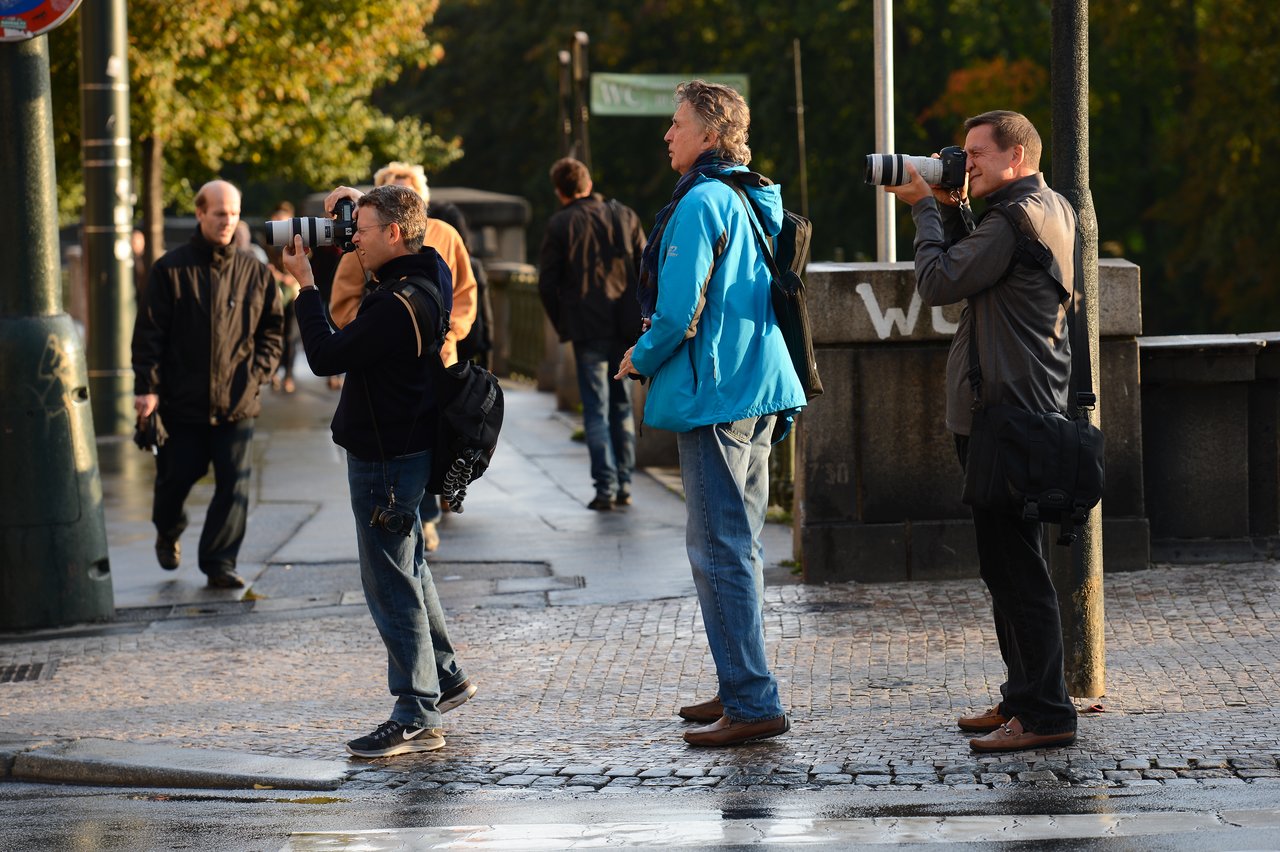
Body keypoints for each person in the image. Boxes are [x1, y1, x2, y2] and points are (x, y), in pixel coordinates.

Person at [615, 81, 806, 747]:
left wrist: (638, 357)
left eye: (676, 125)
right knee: (741, 545)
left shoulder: (700, 201)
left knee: (717, 549)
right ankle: (738, 682)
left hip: (717, 392)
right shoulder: (749, 193)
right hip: (759, 383)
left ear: (707, 134)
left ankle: (752, 701)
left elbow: (676, 312)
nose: (667, 135)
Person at [885, 110, 1080, 753]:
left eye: (975, 154)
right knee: (1007, 566)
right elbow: (985, 266)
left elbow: (940, 281)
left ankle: (1047, 714)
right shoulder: (1045, 206)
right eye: (963, 153)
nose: (963, 163)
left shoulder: (1016, 217)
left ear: (1016, 156)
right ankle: (1023, 697)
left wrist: (923, 208)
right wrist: (953, 206)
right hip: (1019, 408)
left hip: (1007, 414)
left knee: (1016, 570)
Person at [283, 183, 476, 758]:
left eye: (360, 232)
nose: (351, 242)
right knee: (410, 565)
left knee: (389, 581)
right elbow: (406, 236)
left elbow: (325, 357)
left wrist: (306, 288)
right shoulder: (431, 268)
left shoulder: (395, 304)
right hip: (409, 443)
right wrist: (362, 199)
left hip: (385, 456)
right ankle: (444, 676)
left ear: (394, 234)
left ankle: (416, 713)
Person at [131, 179, 284, 589]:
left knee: (234, 484)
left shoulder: (255, 272)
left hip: (237, 401)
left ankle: (219, 562)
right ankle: (168, 528)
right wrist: (146, 388)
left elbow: (273, 330)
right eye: (219, 213)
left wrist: (258, 375)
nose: (227, 221)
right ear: (200, 213)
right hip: (182, 402)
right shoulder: (169, 270)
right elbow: (149, 334)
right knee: (174, 481)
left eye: (233, 213)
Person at [329, 162, 479, 551]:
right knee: (405, 442)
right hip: (383, 360)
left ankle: (427, 512)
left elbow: (465, 291)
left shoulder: (444, 235)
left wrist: (450, 331)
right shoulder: (362, 244)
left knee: (429, 442)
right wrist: (370, 334)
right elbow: (343, 300)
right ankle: (422, 520)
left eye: (410, 192)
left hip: (439, 357)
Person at [539, 157, 645, 511]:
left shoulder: (560, 223)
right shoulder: (625, 215)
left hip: (587, 327)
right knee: (622, 406)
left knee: (596, 410)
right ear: (587, 183)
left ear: (559, 191)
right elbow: (646, 270)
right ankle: (625, 484)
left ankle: (605, 487)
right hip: (625, 325)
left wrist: (563, 323)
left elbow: (547, 283)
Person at [263, 203, 302, 394]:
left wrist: (288, 278)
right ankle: (275, 372)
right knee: (275, 333)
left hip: (293, 293)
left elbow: (304, 266)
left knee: (291, 336)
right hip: (275, 293)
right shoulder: (267, 242)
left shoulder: (299, 240)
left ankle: (289, 376)